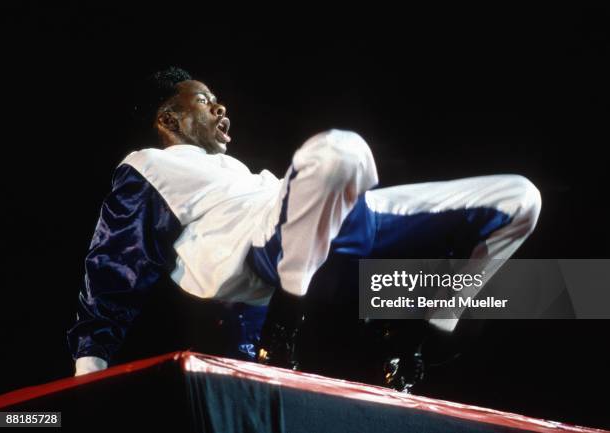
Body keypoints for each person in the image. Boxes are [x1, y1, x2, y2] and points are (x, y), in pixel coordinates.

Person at [68, 66, 541, 380]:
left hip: (321, 237)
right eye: (204, 100)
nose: (220, 108)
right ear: (168, 116)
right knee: (341, 150)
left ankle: (430, 339)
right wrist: (88, 376)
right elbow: (112, 264)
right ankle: (286, 321)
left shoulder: (237, 171)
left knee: (519, 197)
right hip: (254, 252)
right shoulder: (147, 164)